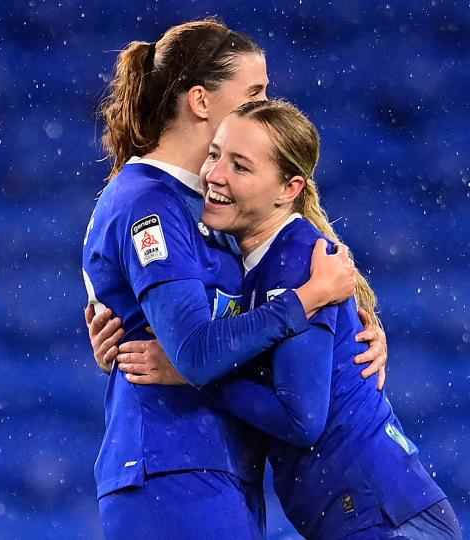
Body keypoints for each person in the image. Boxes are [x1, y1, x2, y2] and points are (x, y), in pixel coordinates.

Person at [81, 19, 366, 539]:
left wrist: (358, 330)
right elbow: (194, 350)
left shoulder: (211, 208)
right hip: (170, 468)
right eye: (254, 93)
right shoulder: (149, 203)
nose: (265, 105)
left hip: (215, 469)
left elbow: (227, 327)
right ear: (200, 101)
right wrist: (304, 302)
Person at [164, 99, 459, 539]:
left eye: (240, 166)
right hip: (375, 512)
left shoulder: (299, 262)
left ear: (289, 189)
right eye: (214, 154)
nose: (215, 174)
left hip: (385, 516)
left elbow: (301, 419)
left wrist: (199, 374)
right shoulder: (261, 260)